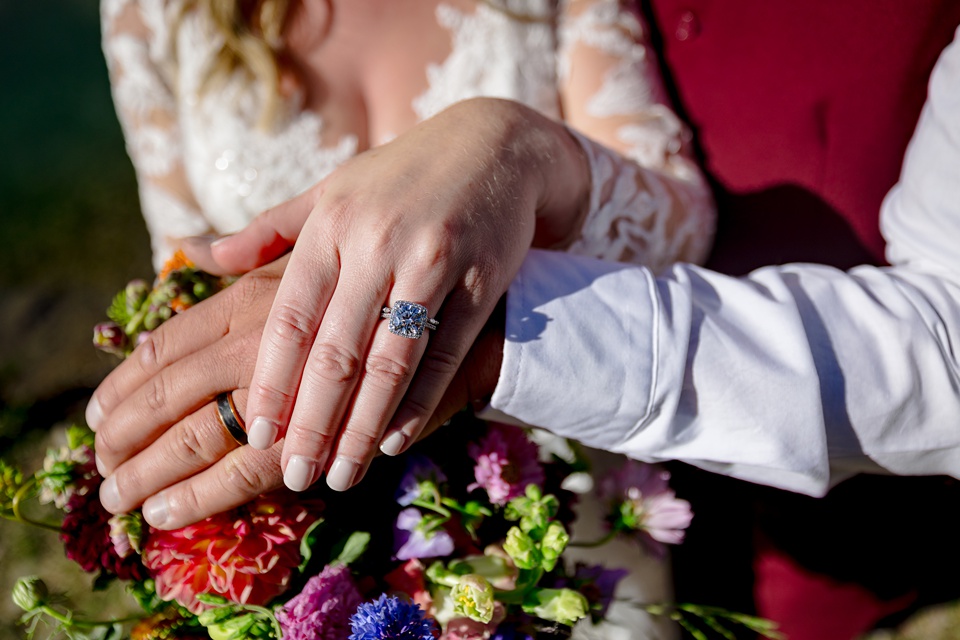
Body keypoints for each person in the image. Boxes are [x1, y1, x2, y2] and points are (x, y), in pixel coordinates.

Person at [92, 0, 960, 637]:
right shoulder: (146, 16)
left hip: (565, 509)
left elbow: (685, 226)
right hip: (319, 531)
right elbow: (191, 271)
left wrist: (520, 150)